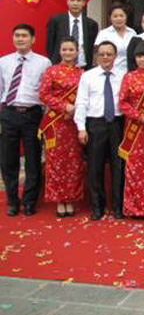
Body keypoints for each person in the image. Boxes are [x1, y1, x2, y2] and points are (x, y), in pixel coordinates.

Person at [0, 24, 51, 216]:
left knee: (33, 159)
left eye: (24, 36)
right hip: (9, 112)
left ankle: (29, 201)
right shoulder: (3, 62)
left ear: (33, 39)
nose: (20, 39)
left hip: (33, 114)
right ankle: (13, 201)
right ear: (13, 38)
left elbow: (46, 90)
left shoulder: (43, 62)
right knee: (8, 160)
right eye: (17, 35)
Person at [74, 41, 125, 220]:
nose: (105, 57)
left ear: (115, 56)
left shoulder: (123, 76)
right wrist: (81, 128)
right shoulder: (88, 76)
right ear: (96, 56)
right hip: (95, 124)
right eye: (102, 54)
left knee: (118, 167)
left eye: (109, 54)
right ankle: (97, 207)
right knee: (95, 167)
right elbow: (81, 102)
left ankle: (118, 207)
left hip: (117, 124)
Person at [38, 37, 84, 217]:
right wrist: (64, 106)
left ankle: (70, 199)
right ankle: (58, 200)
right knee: (56, 162)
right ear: (59, 51)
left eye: (71, 49)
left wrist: (74, 110)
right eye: (64, 49)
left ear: (77, 52)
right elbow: (43, 94)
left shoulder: (82, 73)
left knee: (73, 162)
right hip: (55, 123)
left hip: (74, 123)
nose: (67, 53)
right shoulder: (51, 71)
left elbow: (85, 96)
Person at [118, 40, 144, 218]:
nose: (143, 60)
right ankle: (133, 208)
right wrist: (139, 116)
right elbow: (122, 103)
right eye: (140, 56)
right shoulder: (129, 77)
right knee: (134, 168)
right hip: (134, 129)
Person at [46, 0, 98, 70]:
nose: (75, 3)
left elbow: (91, 48)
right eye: (72, 0)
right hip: (60, 68)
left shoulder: (91, 24)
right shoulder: (56, 21)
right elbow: (50, 46)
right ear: (67, 1)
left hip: (83, 68)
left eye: (78, 0)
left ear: (84, 3)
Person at [94, 2, 137, 75]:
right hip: (111, 73)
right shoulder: (104, 34)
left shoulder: (132, 33)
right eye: (115, 16)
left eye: (121, 16)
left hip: (130, 73)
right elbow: (97, 56)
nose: (118, 18)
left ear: (126, 17)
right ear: (110, 18)